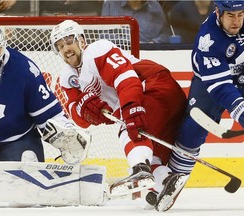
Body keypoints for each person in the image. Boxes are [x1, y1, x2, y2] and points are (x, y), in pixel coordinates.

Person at [50, 19, 188, 210]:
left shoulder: (97, 50)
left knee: (129, 130)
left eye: (69, 41)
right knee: (152, 154)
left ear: (81, 40)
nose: (66, 48)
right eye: (60, 46)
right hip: (154, 100)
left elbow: (126, 77)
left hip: (153, 87)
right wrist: (87, 110)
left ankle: (140, 170)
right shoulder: (68, 77)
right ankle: (166, 180)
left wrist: (131, 107)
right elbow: (77, 117)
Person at [0, 20, 74, 196]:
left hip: (18, 138)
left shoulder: (23, 68)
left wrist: (68, 139)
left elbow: (49, 115)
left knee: (22, 191)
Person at [160, 0, 244, 211]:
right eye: (231, 15)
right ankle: (169, 183)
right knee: (191, 132)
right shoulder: (209, 40)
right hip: (211, 84)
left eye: (241, 14)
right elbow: (222, 88)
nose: (237, 21)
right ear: (218, 12)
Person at [101, 0, 170, 44]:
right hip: (119, 54)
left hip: (149, 54)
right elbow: (103, 35)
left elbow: (165, 33)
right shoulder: (111, 4)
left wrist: (153, 43)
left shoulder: (155, 5)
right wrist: (132, 42)